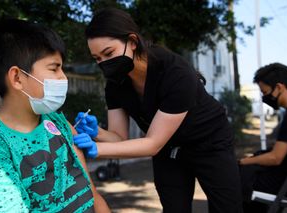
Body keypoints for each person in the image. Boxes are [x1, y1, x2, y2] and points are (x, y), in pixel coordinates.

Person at [73, 7, 243, 213]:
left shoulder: (175, 73)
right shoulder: (115, 84)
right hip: (168, 150)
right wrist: (97, 133)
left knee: (227, 207)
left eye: (108, 53)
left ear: (133, 42)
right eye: (97, 58)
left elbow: (152, 143)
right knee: (174, 208)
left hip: (209, 143)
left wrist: (96, 149)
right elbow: (119, 137)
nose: (104, 63)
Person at [0, 19, 110, 212]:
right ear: (17, 78)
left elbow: (92, 193)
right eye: (54, 68)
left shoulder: (57, 122)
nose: (63, 77)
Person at [239, 63, 287, 212]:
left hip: (281, 184)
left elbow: (275, 158)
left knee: (231, 180)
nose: (264, 97)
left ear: (279, 87)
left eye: (265, 92)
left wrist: (244, 161)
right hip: (285, 180)